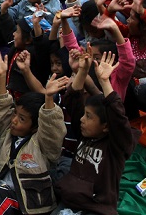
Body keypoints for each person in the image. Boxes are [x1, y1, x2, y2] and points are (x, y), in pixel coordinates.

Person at [0, 51, 68, 215]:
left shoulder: (43, 143)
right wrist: (1, 76)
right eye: (15, 114)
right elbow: (1, 110)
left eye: (22, 119)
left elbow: (52, 129)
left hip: (28, 201)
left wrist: (48, 99)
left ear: (35, 127)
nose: (14, 120)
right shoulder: (8, 133)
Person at [55, 51, 135, 215]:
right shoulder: (84, 135)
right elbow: (72, 100)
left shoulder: (116, 146)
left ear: (106, 126)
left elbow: (118, 119)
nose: (82, 120)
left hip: (97, 209)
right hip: (70, 202)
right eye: (84, 114)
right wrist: (81, 71)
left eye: (89, 116)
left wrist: (105, 82)